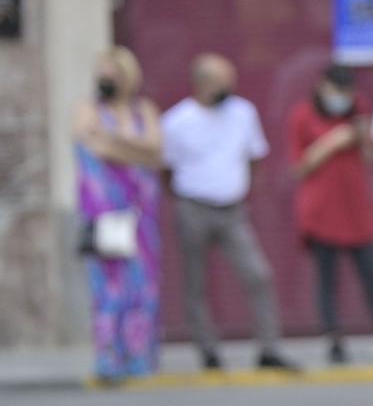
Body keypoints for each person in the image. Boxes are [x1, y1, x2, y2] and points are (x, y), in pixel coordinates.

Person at [160, 54, 296, 372]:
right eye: (220, 82)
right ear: (201, 84)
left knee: (258, 275)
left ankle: (268, 348)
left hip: (232, 209)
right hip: (193, 206)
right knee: (195, 283)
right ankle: (208, 351)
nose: (228, 88)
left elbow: (254, 157)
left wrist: (242, 188)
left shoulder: (242, 113)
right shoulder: (177, 121)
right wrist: (184, 196)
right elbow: (165, 170)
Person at [286, 64, 373, 364]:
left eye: (347, 92)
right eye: (337, 91)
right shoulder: (303, 116)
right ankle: (333, 338)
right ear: (322, 86)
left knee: (372, 274)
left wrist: (361, 134)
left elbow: (371, 155)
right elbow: (299, 166)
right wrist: (334, 140)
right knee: (327, 278)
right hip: (322, 210)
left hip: (356, 207)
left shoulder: (356, 112)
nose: (342, 98)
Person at [72, 47, 164, 382]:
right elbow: (93, 146)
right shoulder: (88, 108)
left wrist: (116, 143)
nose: (106, 78)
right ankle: (109, 358)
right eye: (102, 72)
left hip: (141, 214)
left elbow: (156, 150)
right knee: (110, 288)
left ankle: (139, 356)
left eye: (113, 72)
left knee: (142, 287)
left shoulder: (144, 109)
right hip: (105, 213)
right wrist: (134, 149)